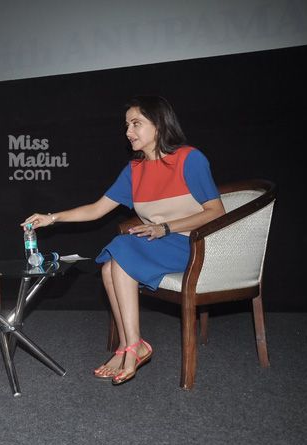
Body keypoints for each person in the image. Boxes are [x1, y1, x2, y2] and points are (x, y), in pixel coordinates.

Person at [22, 96, 225, 385]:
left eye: (136, 124)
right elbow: (95, 209)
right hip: (157, 245)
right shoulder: (135, 170)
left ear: (159, 124)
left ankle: (133, 346)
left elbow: (216, 211)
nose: (128, 132)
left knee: (121, 249)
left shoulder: (189, 159)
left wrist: (166, 227)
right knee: (110, 266)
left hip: (192, 244)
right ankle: (129, 346)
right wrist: (51, 217)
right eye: (127, 125)